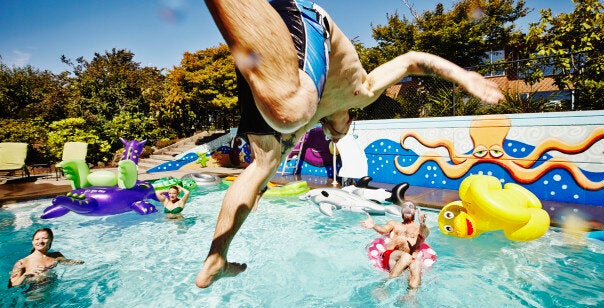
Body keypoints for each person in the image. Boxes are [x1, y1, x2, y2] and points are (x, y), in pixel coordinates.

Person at [196, 0, 504, 288]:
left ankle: (216, 257)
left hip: (267, 55)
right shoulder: (362, 91)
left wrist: (257, 188)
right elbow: (411, 61)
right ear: (349, 121)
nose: (339, 133)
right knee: (290, 114)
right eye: (342, 132)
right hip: (305, 21)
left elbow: (261, 176)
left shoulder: (309, 119)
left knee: (264, 163)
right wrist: (463, 76)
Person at [361, 202, 429, 291]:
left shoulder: (419, 228)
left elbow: (425, 233)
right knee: (406, 256)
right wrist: (374, 225)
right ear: (401, 211)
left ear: (415, 211)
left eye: (410, 207)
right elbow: (383, 230)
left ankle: (410, 296)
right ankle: (383, 286)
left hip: (408, 260)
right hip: (391, 256)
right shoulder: (394, 224)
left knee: (416, 264)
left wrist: (422, 223)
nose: (407, 208)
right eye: (404, 206)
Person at [8, 228, 84, 288]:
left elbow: (66, 262)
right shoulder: (22, 263)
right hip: (34, 295)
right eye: (37, 239)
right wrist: (26, 275)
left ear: (51, 240)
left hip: (54, 291)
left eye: (44, 238)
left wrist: (77, 262)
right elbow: (13, 285)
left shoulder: (56, 256)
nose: (40, 241)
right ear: (32, 242)